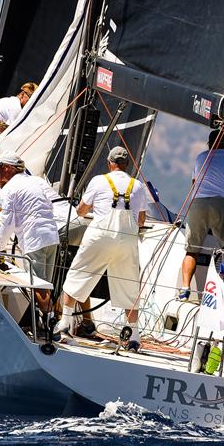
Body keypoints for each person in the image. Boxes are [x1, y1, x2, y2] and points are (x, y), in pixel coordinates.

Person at [54, 146, 148, 350]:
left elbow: (81, 211)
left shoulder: (99, 180)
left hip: (99, 236)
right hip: (127, 240)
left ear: (109, 163)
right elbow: (141, 220)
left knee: (77, 275)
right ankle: (134, 336)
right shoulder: (138, 186)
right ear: (127, 165)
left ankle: (65, 325)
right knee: (129, 286)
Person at [178, 129, 224, 300]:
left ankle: (184, 289)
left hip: (198, 204)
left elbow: (195, 184)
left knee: (191, 251)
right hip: (221, 204)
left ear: (209, 144)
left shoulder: (201, 157)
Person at [0, 151, 59, 316]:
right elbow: (50, 203)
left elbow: (7, 223)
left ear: (6, 168)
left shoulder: (10, 189)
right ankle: (49, 322)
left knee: (38, 288)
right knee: (47, 285)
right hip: (51, 237)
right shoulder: (36, 181)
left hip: (34, 241)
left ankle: (49, 328)